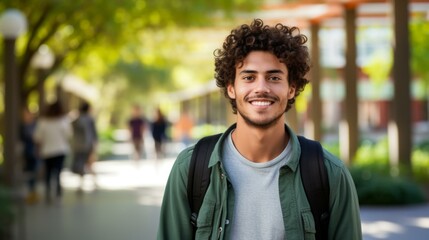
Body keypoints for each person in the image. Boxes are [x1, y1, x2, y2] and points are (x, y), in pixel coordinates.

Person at [157, 19, 362, 239]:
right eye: (249, 77)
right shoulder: (190, 168)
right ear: (231, 88)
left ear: (291, 89)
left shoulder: (329, 173)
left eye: (274, 77)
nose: (261, 88)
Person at [33, 101, 72, 204]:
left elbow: (37, 138)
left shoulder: (43, 122)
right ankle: (58, 195)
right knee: (58, 173)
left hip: (47, 151)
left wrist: (38, 149)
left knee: (48, 173)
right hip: (60, 150)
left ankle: (48, 193)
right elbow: (68, 135)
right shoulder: (63, 121)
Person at [71, 102, 98, 193]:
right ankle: (94, 181)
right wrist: (95, 146)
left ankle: (80, 184)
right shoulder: (90, 119)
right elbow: (94, 134)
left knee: (80, 164)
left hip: (78, 145)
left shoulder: (76, 120)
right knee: (89, 164)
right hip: (88, 144)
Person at [19, 108, 40, 204]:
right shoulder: (22, 126)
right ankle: (29, 193)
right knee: (27, 172)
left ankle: (32, 192)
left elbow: (38, 138)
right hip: (26, 152)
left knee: (33, 171)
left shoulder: (35, 125)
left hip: (33, 152)